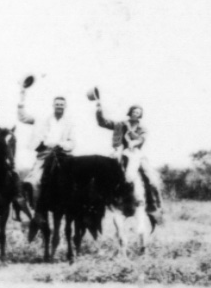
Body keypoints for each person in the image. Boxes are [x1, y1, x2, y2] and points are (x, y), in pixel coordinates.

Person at [93, 88, 158, 218]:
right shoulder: (120, 124)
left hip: (135, 154)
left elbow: (140, 140)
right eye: (134, 111)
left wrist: (132, 137)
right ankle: (103, 199)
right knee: (105, 172)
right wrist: (99, 110)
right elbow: (103, 123)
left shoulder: (142, 128)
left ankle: (154, 203)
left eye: (138, 112)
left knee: (151, 178)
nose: (136, 114)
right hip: (119, 151)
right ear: (130, 113)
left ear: (140, 115)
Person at [17, 77, 80, 159]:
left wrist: (59, 144)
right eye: (57, 104)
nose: (59, 107)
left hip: (62, 156)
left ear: (65, 106)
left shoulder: (69, 123)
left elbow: (72, 143)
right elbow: (23, 118)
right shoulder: (42, 119)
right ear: (53, 105)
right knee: (34, 170)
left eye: (61, 105)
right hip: (43, 155)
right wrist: (22, 99)